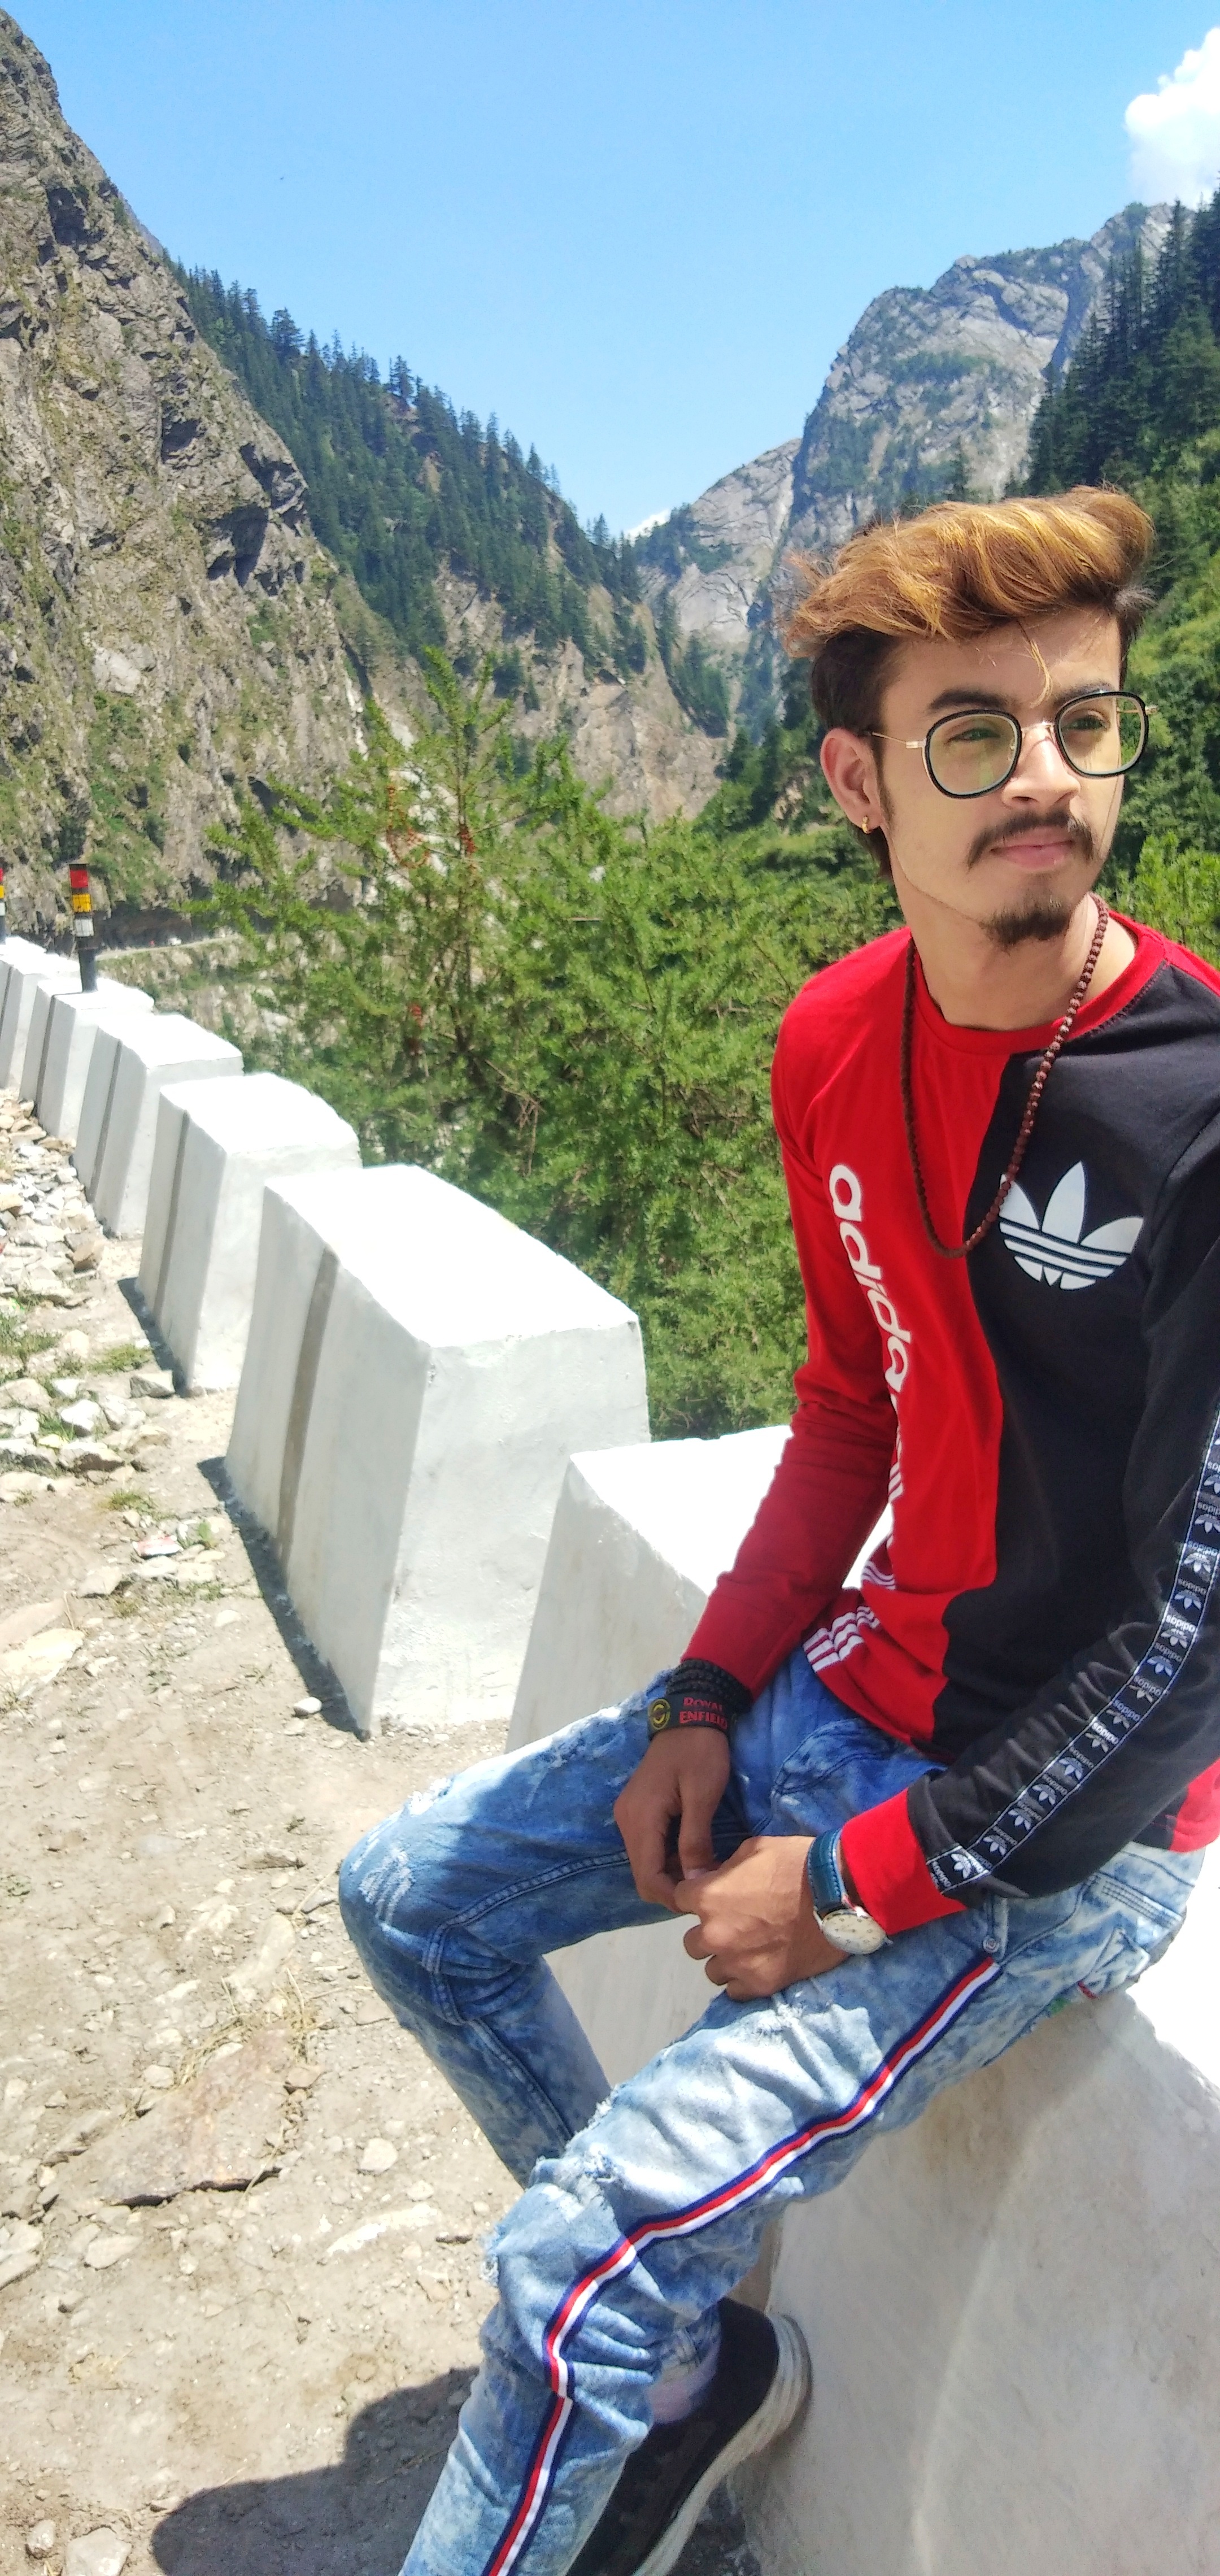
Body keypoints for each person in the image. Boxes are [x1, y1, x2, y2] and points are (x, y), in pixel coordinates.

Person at [340, 485, 1220, 2576]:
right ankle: (680, 2372)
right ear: (856, 782)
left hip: (1058, 1828)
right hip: (853, 1690)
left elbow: (1191, 1649)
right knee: (412, 1900)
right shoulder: (834, 1039)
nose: (1046, 780)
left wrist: (849, 1886)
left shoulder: (1196, 1110)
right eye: (973, 734)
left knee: (575, 2256)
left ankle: (625, 2329)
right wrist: (704, 1697)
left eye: (1086, 723)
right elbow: (849, 1409)